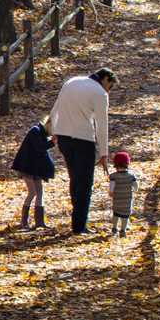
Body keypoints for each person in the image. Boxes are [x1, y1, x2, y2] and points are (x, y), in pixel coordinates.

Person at [47, 67, 117, 234]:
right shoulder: (100, 92)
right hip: (83, 139)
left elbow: (56, 108)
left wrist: (53, 129)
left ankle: (77, 218)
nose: (108, 90)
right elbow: (102, 126)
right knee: (85, 182)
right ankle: (79, 225)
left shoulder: (71, 82)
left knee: (75, 178)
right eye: (110, 86)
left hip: (64, 137)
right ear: (106, 79)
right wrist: (104, 154)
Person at [10, 113, 56, 229]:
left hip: (35, 168)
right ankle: (24, 221)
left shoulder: (42, 134)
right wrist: (53, 143)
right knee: (32, 193)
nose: (53, 134)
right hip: (26, 166)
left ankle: (39, 221)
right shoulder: (35, 131)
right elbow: (39, 147)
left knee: (39, 193)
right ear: (49, 125)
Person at [109, 151, 139, 237]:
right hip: (127, 198)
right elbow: (135, 185)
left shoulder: (114, 176)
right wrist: (135, 190)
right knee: (125, 215)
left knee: (116, 213)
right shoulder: (131, 175)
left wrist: (111, 191)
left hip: (117, 198)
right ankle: (123, 230)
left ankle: (114, 228)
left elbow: (112, 184)